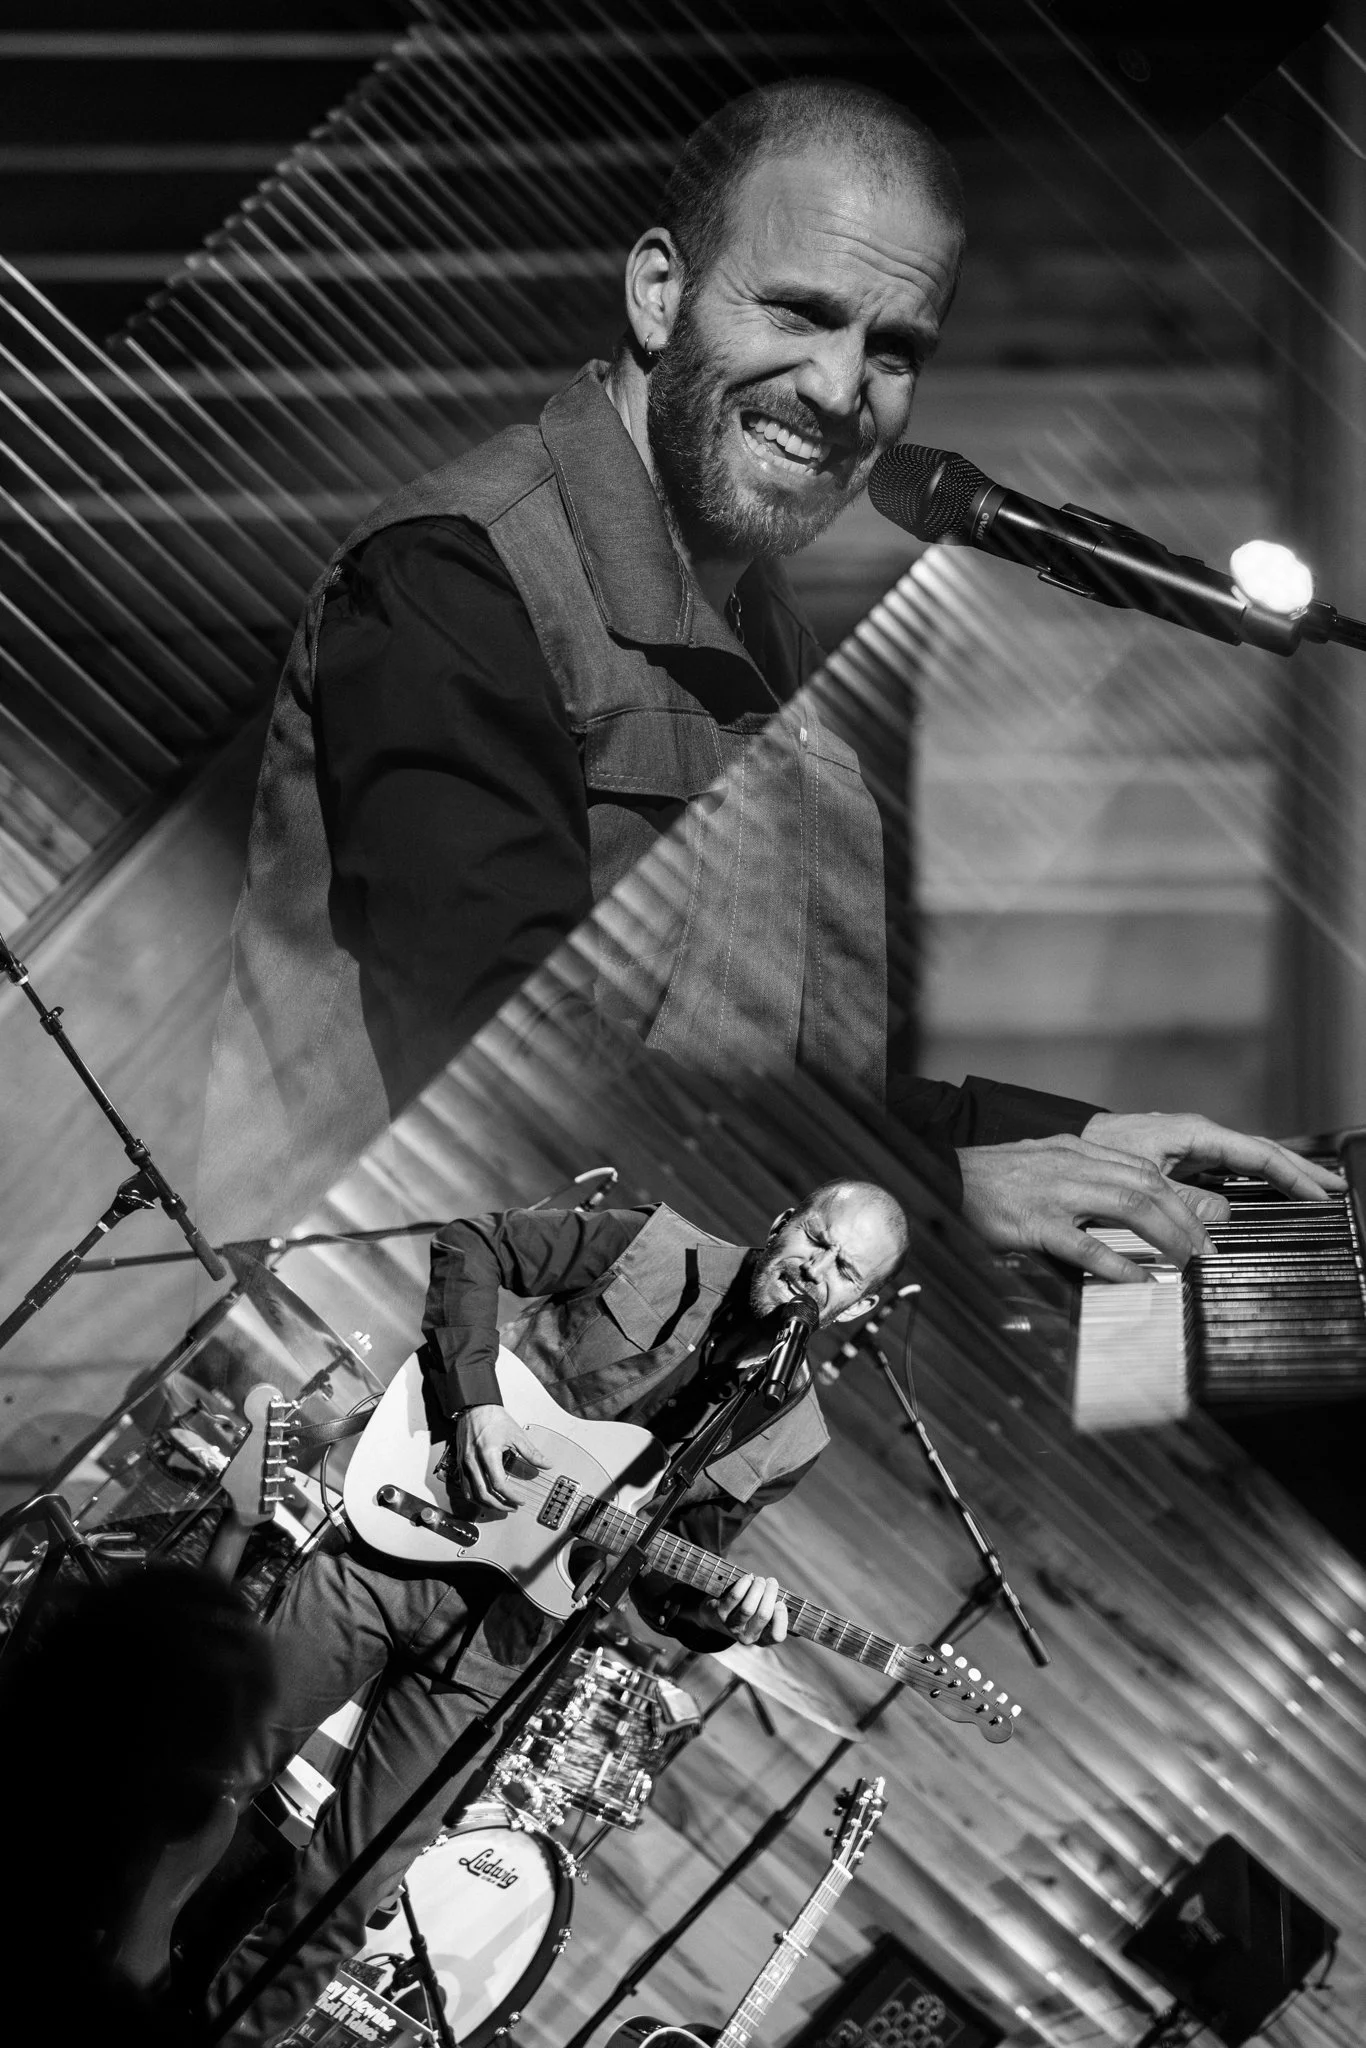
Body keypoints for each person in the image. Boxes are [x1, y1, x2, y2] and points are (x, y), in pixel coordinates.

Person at [196, 74, 1341, 1275]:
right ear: (658, 293)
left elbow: (762, 1092)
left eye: (893, 350)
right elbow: (516, 1078)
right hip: (378, 1397)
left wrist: (1078, 1137)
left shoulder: (758, 630)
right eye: (799, 311)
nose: (841, 390)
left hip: (627, 1387)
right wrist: (938, 1189)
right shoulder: (456, 583)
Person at [198, 1178, 909, 2044]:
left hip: (503, 1648)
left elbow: (665, 1581)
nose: (816, 1270)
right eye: (817, 1240)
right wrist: (479, 1406)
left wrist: (729, 1611)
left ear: (856, 1301)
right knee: (207, 1765)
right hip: (405, 1534)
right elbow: (471, 1242)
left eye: (844, 1271)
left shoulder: (792, 1434)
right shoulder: (653, 1244)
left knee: (340, 1900)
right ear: (782, 1223)